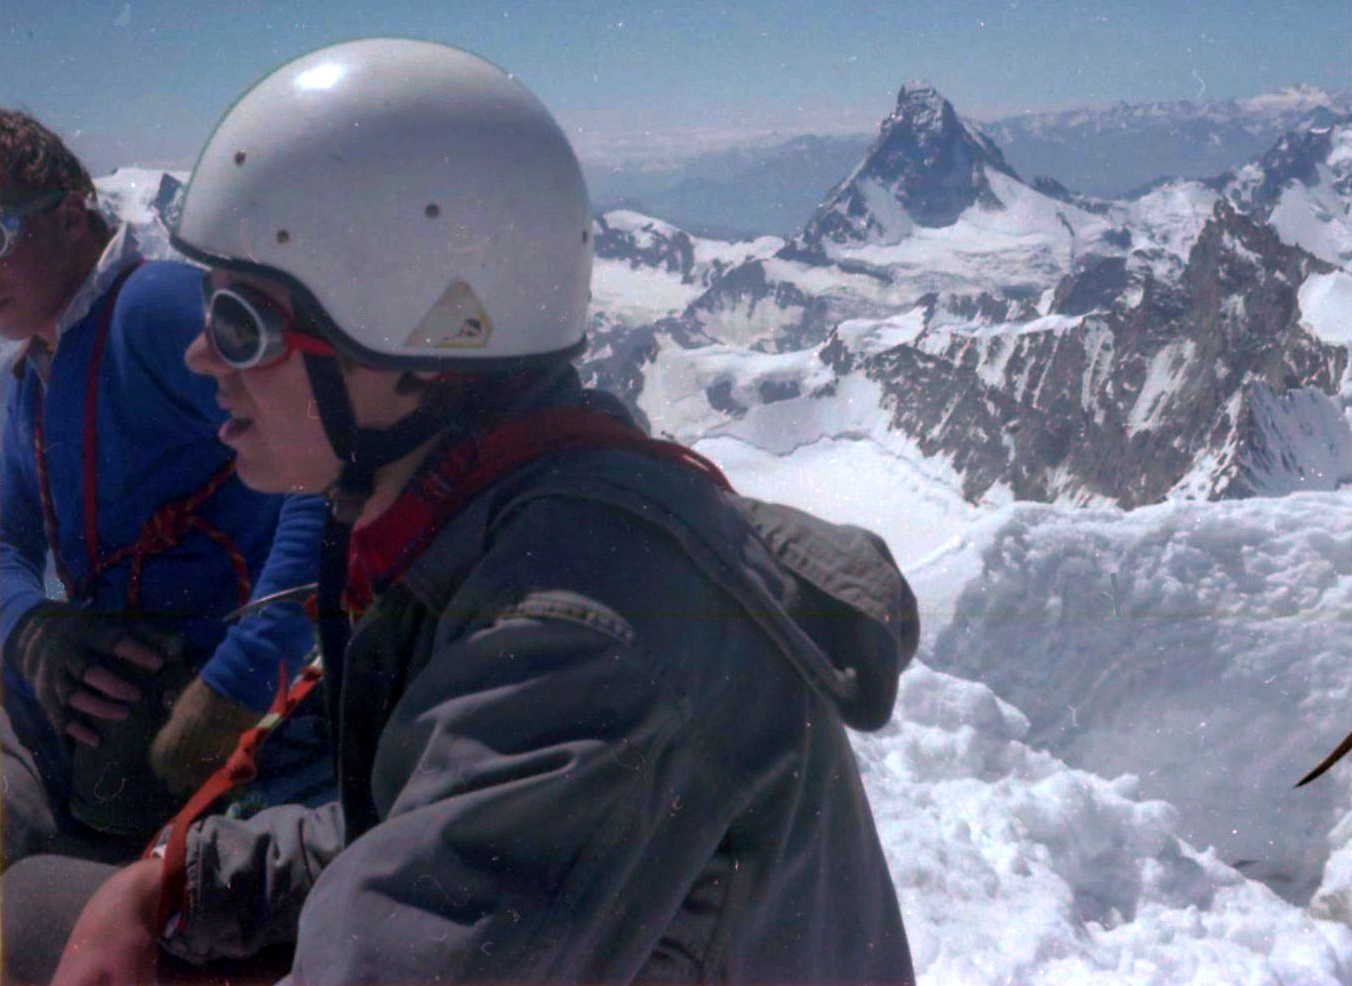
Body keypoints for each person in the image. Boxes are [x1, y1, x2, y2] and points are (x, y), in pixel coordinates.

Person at [16, 39, 919, 985]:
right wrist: (179, 881)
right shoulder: (486, 521)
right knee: (51, 910)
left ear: (418, 356)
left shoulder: (581, 644)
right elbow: (427, 810)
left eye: (243, 321)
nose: (204, 357)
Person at [0, 109, 333, 875]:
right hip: (126, 733)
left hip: (249, 732)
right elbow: (7, 541)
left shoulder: (152, 313)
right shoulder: (33, 377)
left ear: (71, 214)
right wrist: (31, 630)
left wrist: (240, 683)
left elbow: (324, 476)